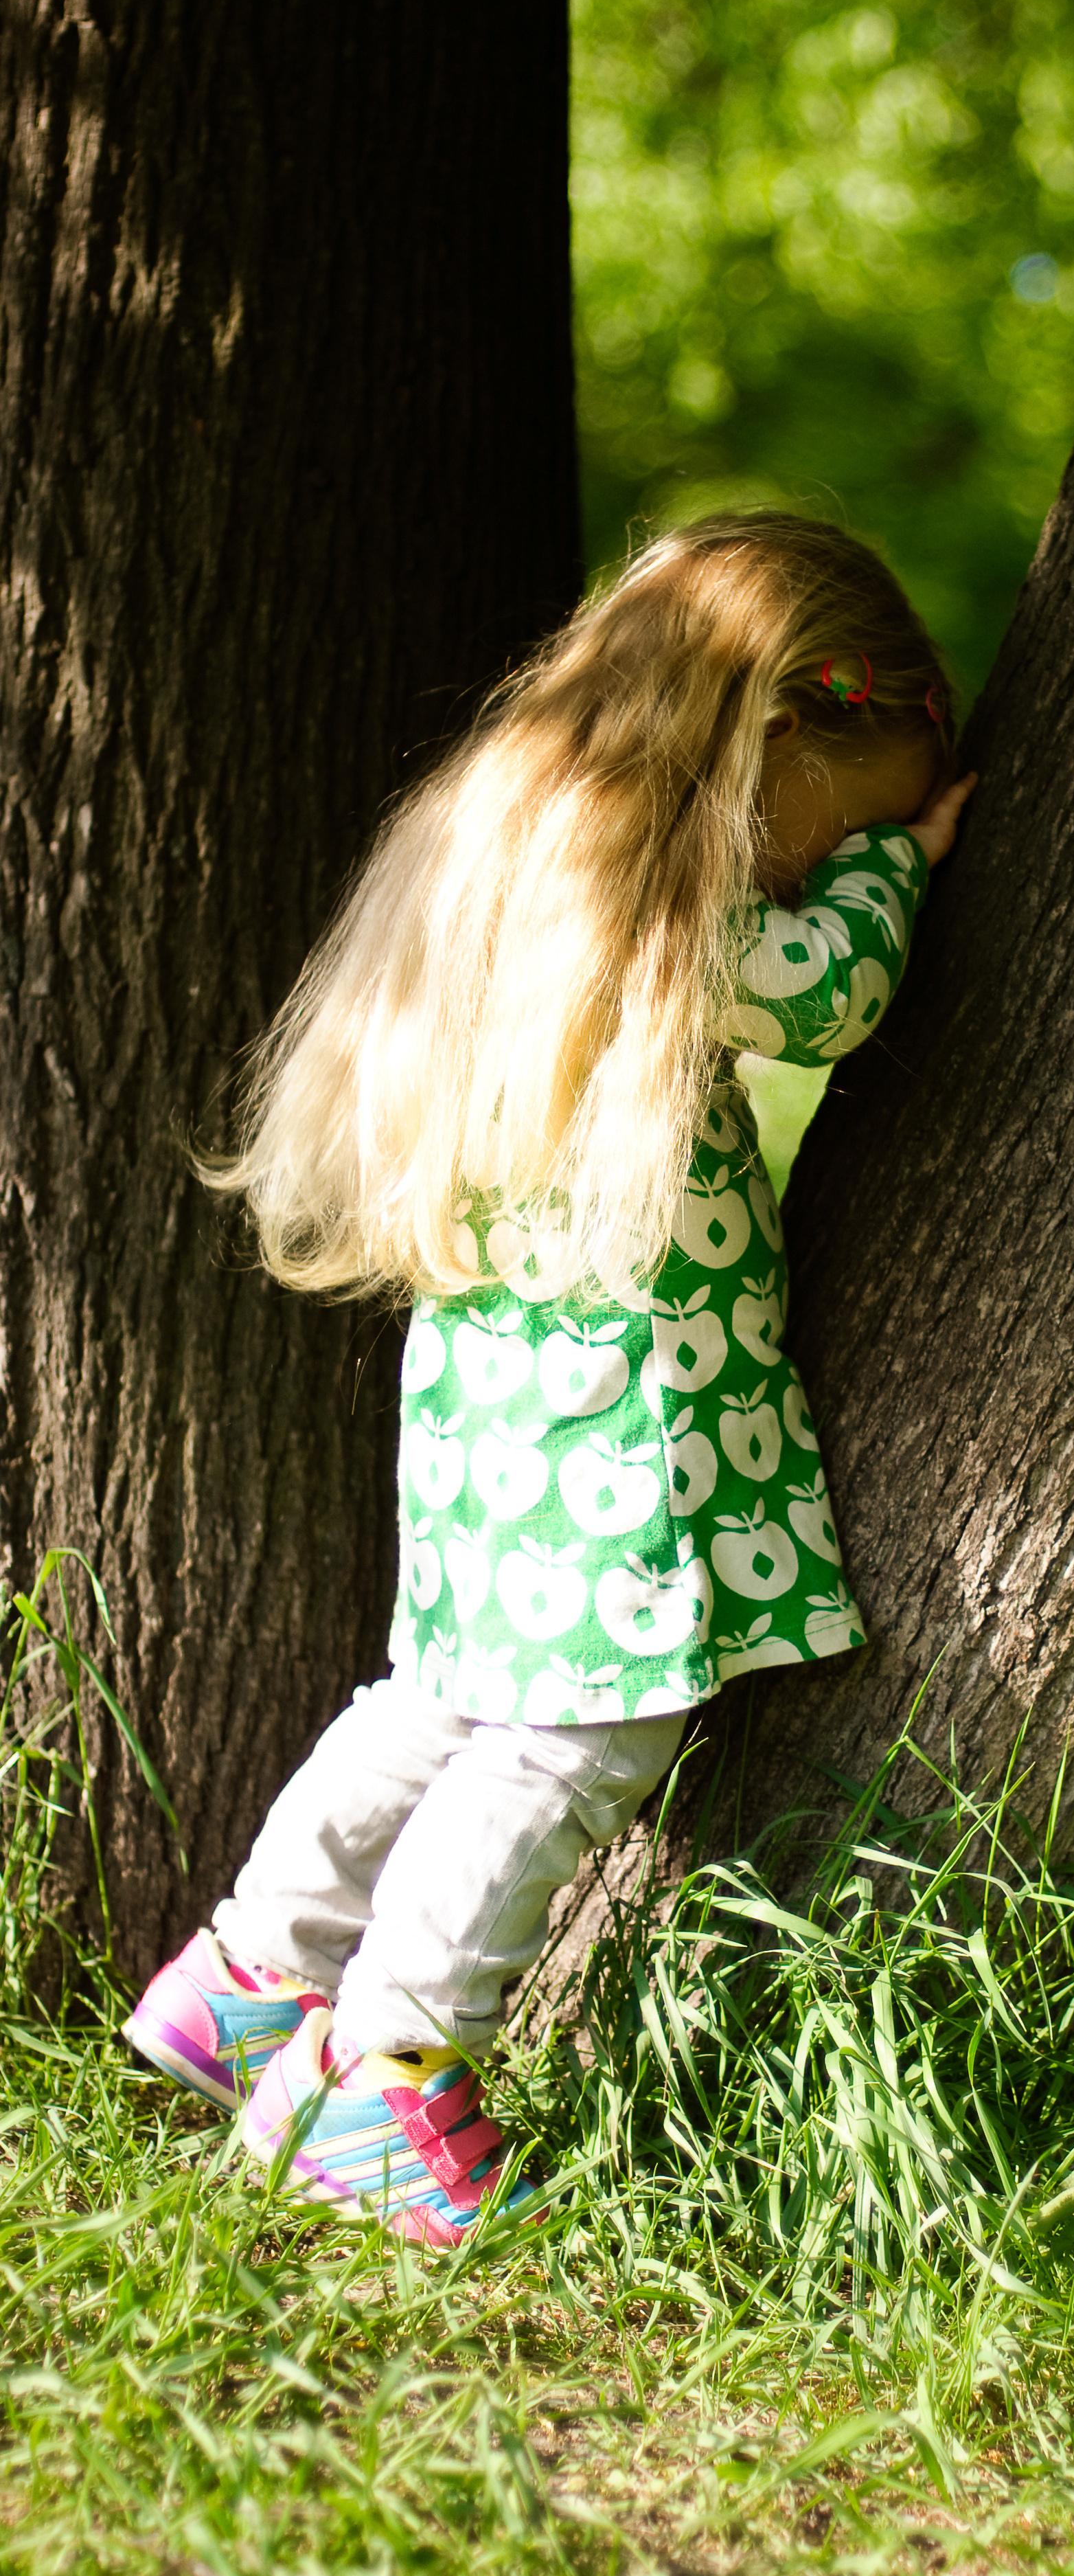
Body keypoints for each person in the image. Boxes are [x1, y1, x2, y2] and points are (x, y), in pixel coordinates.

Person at [121, 512, 976, 2246]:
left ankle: (253, 1970)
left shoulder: (508, 844)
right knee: (589, 1725)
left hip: (491, 1381)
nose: (828, 863)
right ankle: (392, 2068)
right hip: (619, 1398)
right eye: (842, 821)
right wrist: (909, 870)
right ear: (777, 739)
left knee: (440, 1689)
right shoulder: (648, 899)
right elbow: (829, 996)